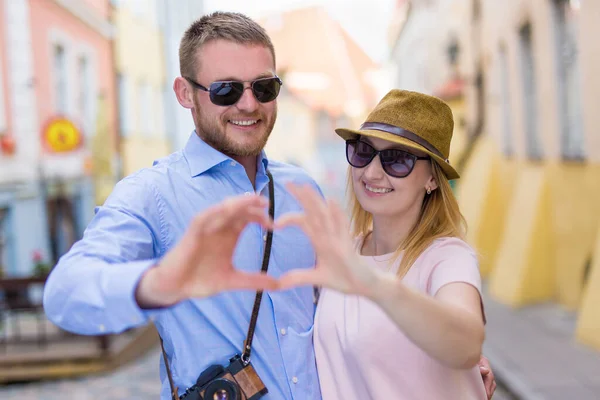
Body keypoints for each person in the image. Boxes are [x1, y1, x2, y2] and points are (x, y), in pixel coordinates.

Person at [42, 12, 495, 400]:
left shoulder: (303, 190)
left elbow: (344, 309)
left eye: (264, 87)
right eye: (225, 90)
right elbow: (66, 294)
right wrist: (158, 283)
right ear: (185, 94)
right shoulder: (150, 194)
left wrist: (441, 356)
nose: (248, 104)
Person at [276, 89, 491, 399]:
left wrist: (376, 286)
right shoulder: (342, 255)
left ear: (432, 178)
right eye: (364, 152)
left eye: (397, 160)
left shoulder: (447, 257)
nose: (372, 172)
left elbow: (467, 343)